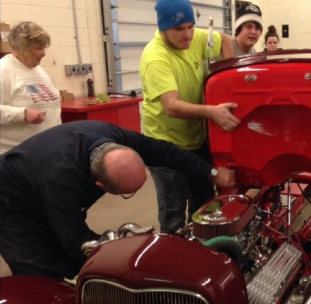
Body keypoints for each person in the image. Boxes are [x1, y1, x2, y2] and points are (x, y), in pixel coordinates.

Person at [0, 120, 236, 279]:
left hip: (42, 176)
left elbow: (165, 152)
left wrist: (211, 172)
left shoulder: (115, 138)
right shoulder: (60, 181)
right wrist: (130, 254)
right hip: (11, 201)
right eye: (127, 193)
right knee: (43, 272)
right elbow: (76, 243)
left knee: (74, 264)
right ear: (100, 186)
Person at [139, 0, 238, 234]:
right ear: (163, 29)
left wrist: (228, 78)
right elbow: (171, 106)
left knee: (204, 205)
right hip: (165, 143)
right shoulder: (156, 57)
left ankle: (203, 247)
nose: (187, 35)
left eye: (191, 26)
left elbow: (226, 40)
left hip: (195, 139)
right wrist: (212, 112)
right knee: (173, 210)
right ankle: (172, 251)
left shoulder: (194, 39)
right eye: (179, 29)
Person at [0, 21, 61, 154]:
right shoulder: (3, 70)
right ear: (22, 47)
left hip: (47, 151)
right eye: (38, 48)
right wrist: (22, 114)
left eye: (44, 48)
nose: (43, 53)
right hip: (16, 157)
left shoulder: (38, 70)